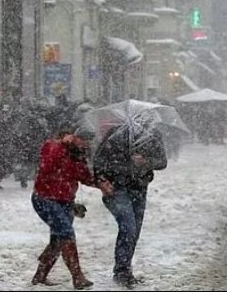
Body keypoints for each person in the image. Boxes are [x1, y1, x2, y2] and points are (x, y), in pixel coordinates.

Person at [31, 128, 114, 289]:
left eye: (88, 142)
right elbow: (47, 165)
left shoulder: (79, 155)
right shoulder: (53, 146)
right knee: (66, 234)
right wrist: (64, 147)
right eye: (83, 140)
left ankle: (40, 276)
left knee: (57, 239)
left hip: (65, 201)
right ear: (73, 137)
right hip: (45, 198)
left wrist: (100, 184)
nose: (85, 144)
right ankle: (78, 277)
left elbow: (83, 176)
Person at [94, 117, 167, 287]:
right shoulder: (116, 135)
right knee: (128, 226)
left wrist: (145, 161)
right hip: (117, 188)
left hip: (139, 188)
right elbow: (99, 160)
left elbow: (162, 162)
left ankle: (125, 268)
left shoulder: (153, 136)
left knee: (134, 230)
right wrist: (101, 179)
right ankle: (121, 271)